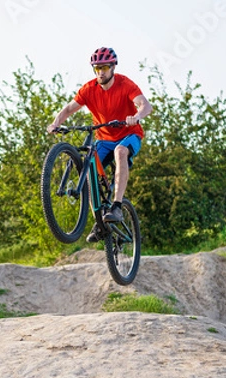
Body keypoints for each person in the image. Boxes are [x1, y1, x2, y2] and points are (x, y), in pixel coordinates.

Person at [47, 47, 153, 242]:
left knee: (121, 151)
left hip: (129, 135)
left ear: (113, 67)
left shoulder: (125, 84)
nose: (101, 72)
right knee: (89, 174)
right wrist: (56, 123)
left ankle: (117, 206)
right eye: (97, 68)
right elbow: (69, 109)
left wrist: (136, 117)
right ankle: (100, 222)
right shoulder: (89, 89)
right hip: (104, 139)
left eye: (104, 67)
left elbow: (146, 105)